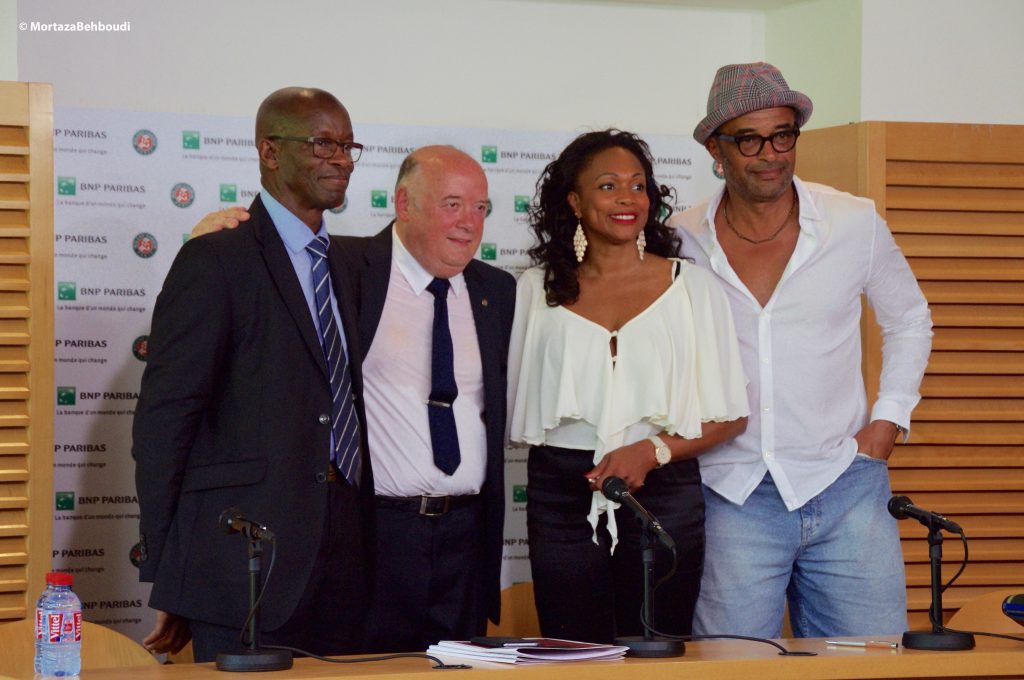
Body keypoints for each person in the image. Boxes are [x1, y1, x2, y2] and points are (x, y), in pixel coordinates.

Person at [189, 146, 516, 653]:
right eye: (452, 204)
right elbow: (259, 273)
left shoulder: (498, 290)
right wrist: (214, 239)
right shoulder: (340, 267)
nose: (469, 222)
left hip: (466, 544)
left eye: (480, 208)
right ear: (404, 203)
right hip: (372, 536)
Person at [670, 62, 933, 638]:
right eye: (749, 139)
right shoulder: (679, 239)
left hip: (846, 484)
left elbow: (910, 319)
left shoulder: (853, 222)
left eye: (783, 135)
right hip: (730, 490)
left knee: (872, 666)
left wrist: (888, 421)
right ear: (716, 148)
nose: (770, 154)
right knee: (734, 670)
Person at [133, 87, 374, 661]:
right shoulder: (216, 257)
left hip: (345, 556)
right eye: (322, 144)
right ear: (269, 151)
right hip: (241, 561)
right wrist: (171, 573)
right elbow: (165, 421)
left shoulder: (348, 263)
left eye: (347, 146)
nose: (341, 159)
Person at [507, 129, 750, 644]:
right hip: (562, 494)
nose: (627, 198)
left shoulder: (692, 288)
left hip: (664, 493)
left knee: (657, 653)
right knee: (574, 654)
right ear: (574, 201)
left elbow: (732, 416)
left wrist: (652, 450)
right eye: (608, 185)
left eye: (638, 186)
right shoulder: (535, 290)